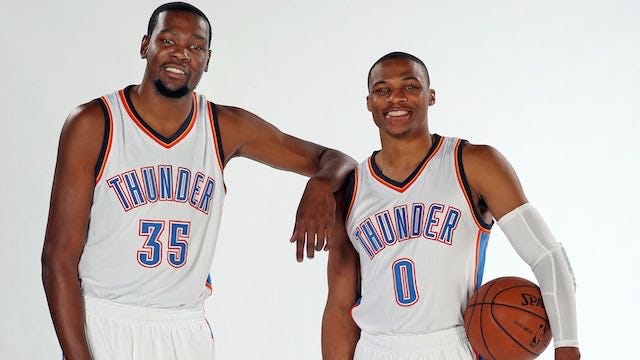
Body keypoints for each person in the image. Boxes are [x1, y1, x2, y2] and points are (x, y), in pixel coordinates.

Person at [41, 2, 355, 359]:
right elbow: (58, 259)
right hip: (103, 321)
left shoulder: (224, 126)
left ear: (208, 59)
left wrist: (320, 185)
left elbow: (336, 161)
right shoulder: (94, 123)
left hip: (184, 328)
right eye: (169, 40)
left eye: (195, 47)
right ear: (146, 45)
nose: (182, 54)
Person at [321, 52, 580, 360]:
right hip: (374, 348)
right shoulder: (353, 187)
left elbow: (546, 254)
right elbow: (339, 306)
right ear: (369, 103)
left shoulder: (473, 163)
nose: (396, 98)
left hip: (452, 346)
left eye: (410, 86)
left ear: (430, 96)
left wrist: (567, 346)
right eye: (382, 90)